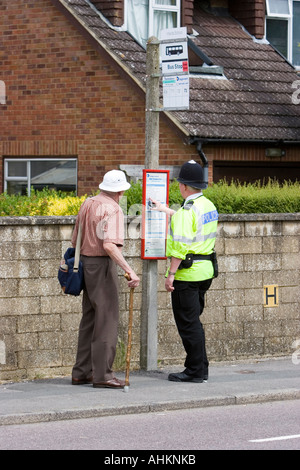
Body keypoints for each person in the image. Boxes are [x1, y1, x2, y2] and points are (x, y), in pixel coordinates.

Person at [71, 170, 140, 389]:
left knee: (90, 319)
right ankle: (103, 375)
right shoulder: (113, 209)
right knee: (107, 320)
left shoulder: (88, 203)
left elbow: (75, 240)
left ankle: (81, 372)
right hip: (102, 266)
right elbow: (109, 245)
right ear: (120, 191)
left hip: (84, 264)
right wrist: (129, 270)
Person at [151, 160, 218, 383]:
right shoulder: (207, 205)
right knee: (194, 322)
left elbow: (179, 247)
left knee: (188, 325)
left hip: (187, 275)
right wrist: (164, 210)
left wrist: (170, 275)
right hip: (205, 272)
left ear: (184, 186)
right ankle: (202, 368)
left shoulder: (186, 211)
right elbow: (189, 221)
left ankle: (194, 371)